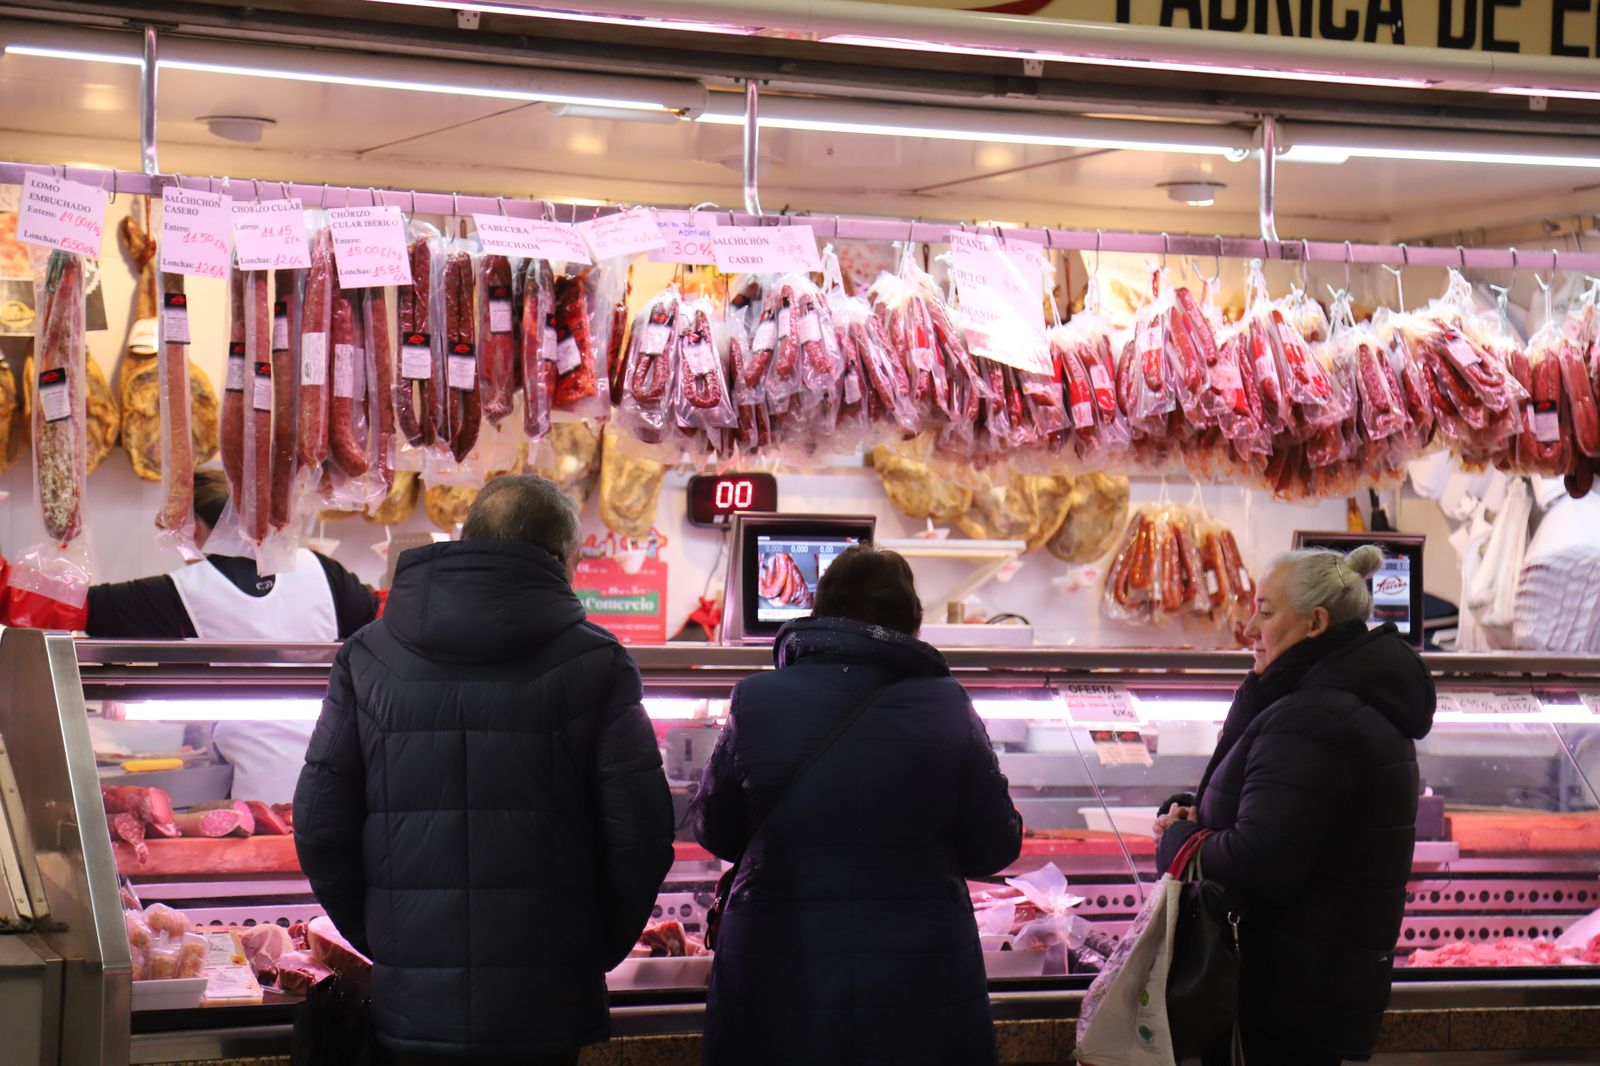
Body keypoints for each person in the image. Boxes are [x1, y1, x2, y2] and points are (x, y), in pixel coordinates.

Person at [294, 474, 675, 1066]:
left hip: (410, 1006)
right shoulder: (600, 662)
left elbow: (319, 826)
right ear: (559, 560)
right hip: (547, 1008)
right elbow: (642, 837)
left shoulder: (366, 656)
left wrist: (387, 939)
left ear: (468, 539)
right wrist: (591, 949)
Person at [690, 545, 1022, 1066]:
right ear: (913, 622)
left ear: (819, 610)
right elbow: (995, 847)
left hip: (781, 971)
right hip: (916, 982)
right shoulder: (948, 705)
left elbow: (714, 828)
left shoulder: (756, 698)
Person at [1154, 545, 1436, 1066]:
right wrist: (1202, 812)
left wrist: (1180, 842)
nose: (1249, 629)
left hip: (1282, 998)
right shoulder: (1333, 701)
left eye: (1264, 613)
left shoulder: (1314, 716)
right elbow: (1291, 818)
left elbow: (1262, 861)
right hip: (1310, 993)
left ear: (1315, 623)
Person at [87, 469, 378, 802]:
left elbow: (82, 610)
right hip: (344, 774)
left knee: (275, 830)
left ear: (193, 528)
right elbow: (384, 620)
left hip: (262, 789)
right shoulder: (323, 570)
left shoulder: (184, 591)